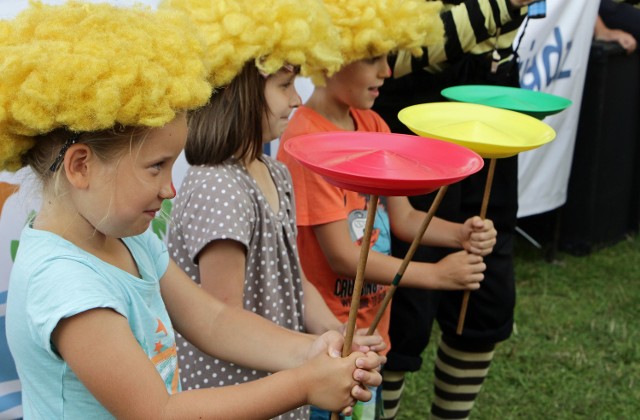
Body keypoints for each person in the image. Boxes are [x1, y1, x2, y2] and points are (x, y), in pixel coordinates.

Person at [2, 2, 383, 418]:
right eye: (155, 167)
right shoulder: (65, 286)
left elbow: (213, 320)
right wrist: (305, 384)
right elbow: (159, 412)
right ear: (81, 166)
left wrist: (307, 350)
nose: (170, 188)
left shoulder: (129, 238)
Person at [161, 1, 385, 418]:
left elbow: (296, 282)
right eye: (284, 85)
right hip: (236, 393)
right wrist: (306, 362)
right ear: (237, 91)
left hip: (279, 379)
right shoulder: (219, 187)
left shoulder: (275, 172)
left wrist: (334, 335)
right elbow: (223, 322)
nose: (297, 99)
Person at [276, 0, 498, 418]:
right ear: (329, 58)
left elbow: (405, 218)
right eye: (373, 57)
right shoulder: (304, 142)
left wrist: (460, 234)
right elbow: (342, 257)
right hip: (325, 340)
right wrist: (434, 275)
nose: (387, 71)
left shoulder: (373, 124)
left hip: (371, 335)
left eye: (388, 56)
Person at [370, 0, 536, 418]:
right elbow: (388, 55)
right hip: (415, 110)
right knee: (400, 310)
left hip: (491, 107)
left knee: (485, 293)